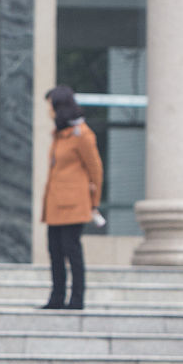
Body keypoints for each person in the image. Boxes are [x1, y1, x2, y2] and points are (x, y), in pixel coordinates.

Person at [39, 86, 104, 310]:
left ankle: (76, 298)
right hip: (56, 203)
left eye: (50, 106)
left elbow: (95, 169)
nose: (48, 111)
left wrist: (94, 202)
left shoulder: (81, 135)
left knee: (71, 250)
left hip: (74, 204)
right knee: (55, 251)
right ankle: (57, 297)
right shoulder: (60, 134)